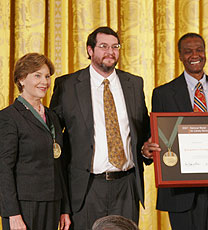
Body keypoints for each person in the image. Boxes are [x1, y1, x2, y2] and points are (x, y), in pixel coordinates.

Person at [142, 33, 208, 230]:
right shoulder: (163, 94)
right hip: (181, 192)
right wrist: (147, 150)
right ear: (180, 56)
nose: (195, 55)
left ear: (205, 52)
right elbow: (157, 139)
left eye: (199, 50)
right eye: (188, 51)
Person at [50, 26, 151, 230]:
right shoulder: (67, 86)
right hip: (86, 188)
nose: (110, 52)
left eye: (115, 46)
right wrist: (62, 204)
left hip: (127, 185)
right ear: (90, 50)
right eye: (103, 46)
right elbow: (53, 139)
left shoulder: (134, 83)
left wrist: (146, 150)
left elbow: (144, 131)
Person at [0, 53, 71, 230]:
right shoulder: (8, 117)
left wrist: (64, 209)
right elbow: (3, 169)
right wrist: (12, 213)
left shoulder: (53, 117)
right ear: (22, 79)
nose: (45, 82)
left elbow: (59, 166)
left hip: (53, 203)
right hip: (24, 206)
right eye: (37, 75)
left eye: (47, 76)